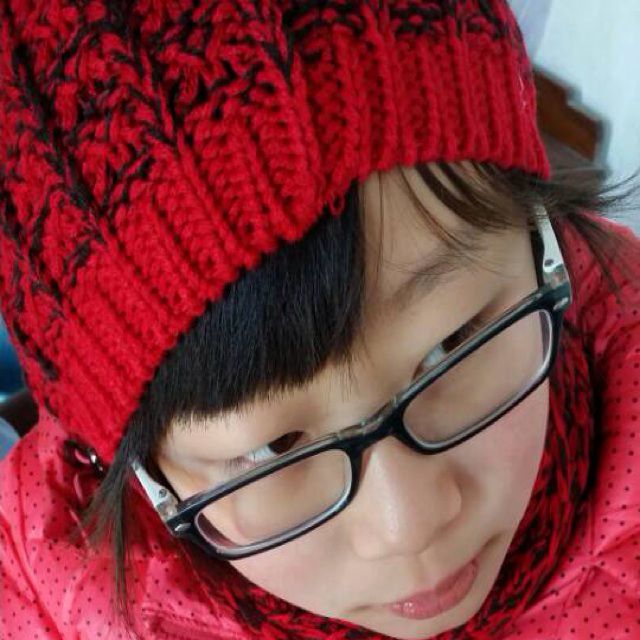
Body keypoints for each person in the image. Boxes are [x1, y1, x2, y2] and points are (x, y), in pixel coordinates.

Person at [0, 1, 639, 639]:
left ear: (538, 237)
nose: (410, 525)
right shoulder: (62, 614)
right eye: (274, 448)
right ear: (142, 475)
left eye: (451, 344)